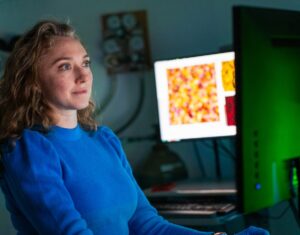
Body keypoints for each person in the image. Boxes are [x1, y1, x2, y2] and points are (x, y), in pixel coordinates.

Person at [0, 20, 269, 235]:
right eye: (65, 67)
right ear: (33, 81)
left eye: (85, 63)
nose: (83, 75)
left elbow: (146, 224)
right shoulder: (27, 148)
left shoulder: (104, 140)